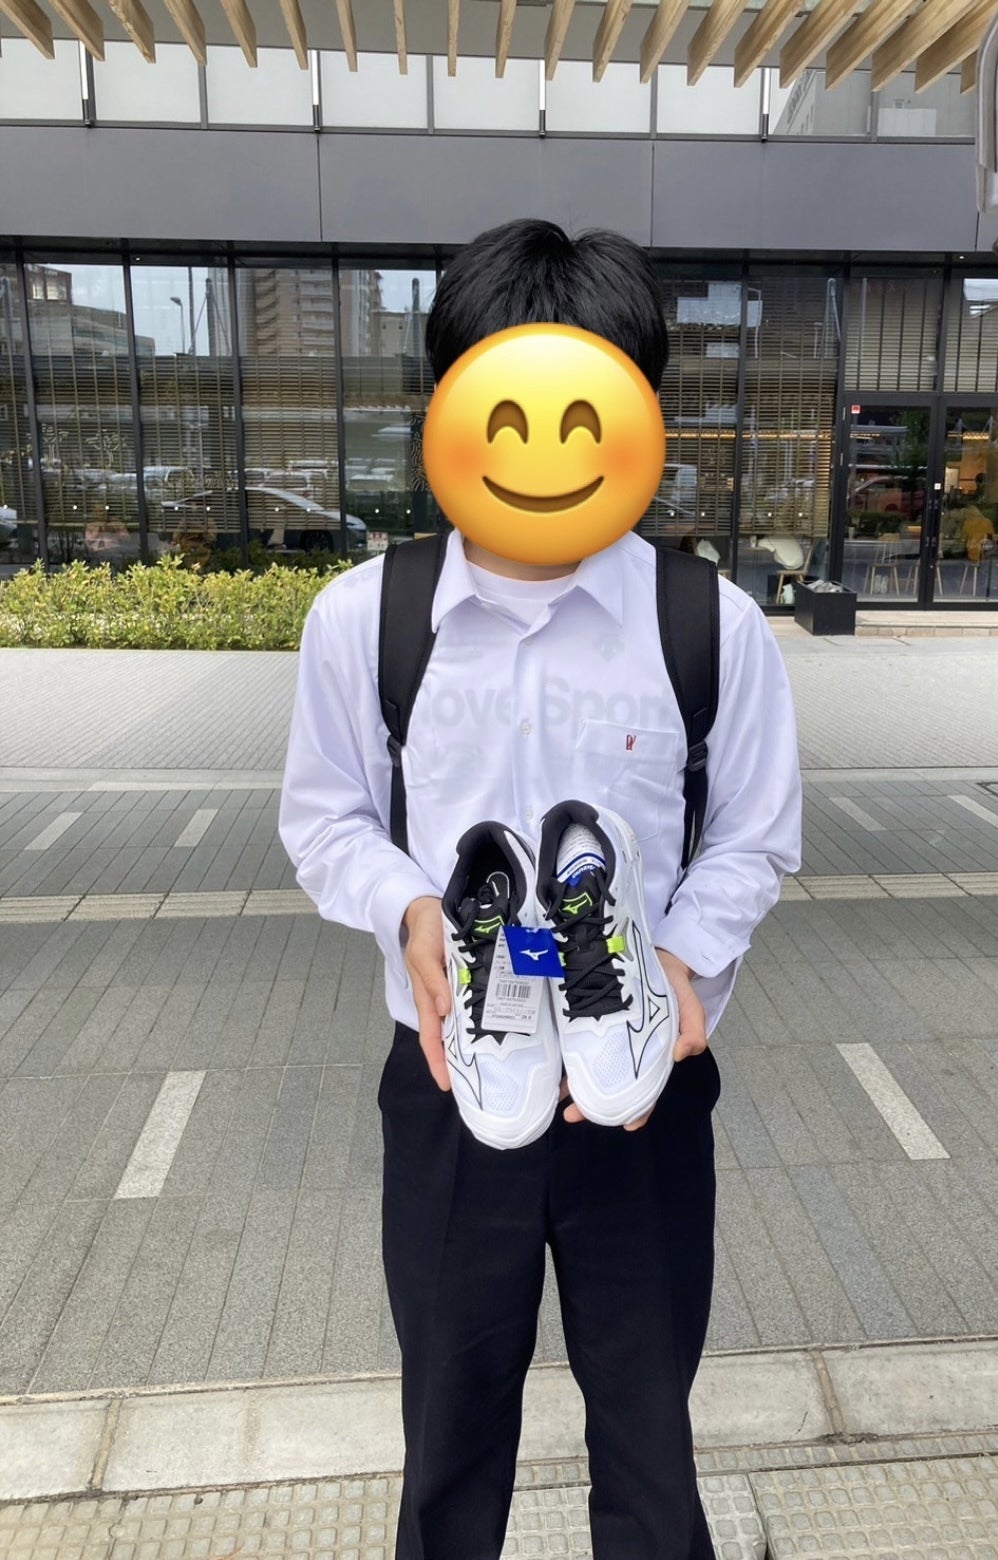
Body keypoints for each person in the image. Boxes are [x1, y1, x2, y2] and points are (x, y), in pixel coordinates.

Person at [279, 219, 802, 1560]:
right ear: (449, 406)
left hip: (644, 1097)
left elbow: (753, 835)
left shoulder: (708, 623)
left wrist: (679, 968)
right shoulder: (365, 620)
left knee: (649, 1444)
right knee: (449, 1447)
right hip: (451, 1087)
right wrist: (409, 909)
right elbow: (326, 818)